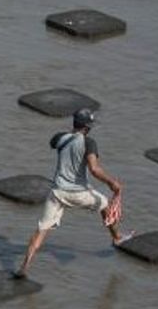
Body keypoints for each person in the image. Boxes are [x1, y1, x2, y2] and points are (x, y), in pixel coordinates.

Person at [16, 108, 130, 277]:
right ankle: (117, 237)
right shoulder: (89, 142)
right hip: (78, 193)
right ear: (87, 127)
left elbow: (53, 142)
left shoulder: (60, 138)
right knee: (105, 204)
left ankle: (24, 268)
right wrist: (112, 182)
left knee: (41, 230)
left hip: (57, 193)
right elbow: (94, 169)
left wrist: (69, 134)